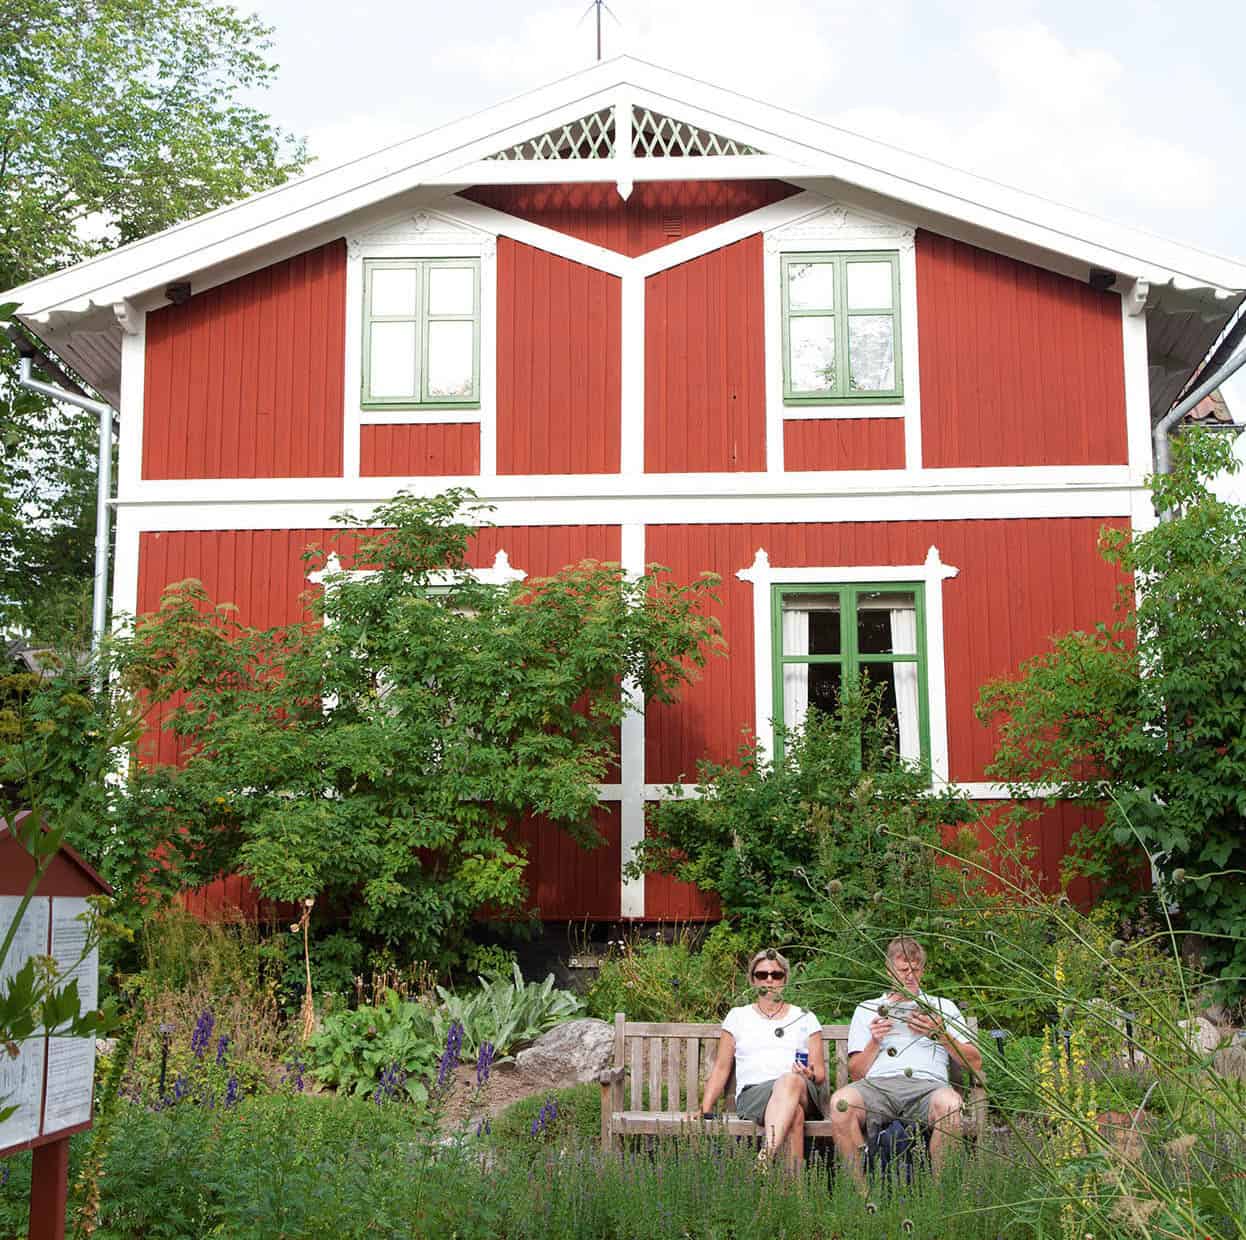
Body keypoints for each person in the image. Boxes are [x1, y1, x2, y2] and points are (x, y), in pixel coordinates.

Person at [829, 935, 982, 1183]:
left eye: (915, 969)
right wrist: (875, 1041)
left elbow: (975, 1063)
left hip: (927, 1087)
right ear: (889, 971)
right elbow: (856, 1073)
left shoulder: (942, 1007)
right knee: (840, 1104)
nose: (909, 976)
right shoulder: (868, 1008)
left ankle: (938, 1201)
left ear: (922, 971)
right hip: (879, 1086)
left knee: (951, 1106)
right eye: (902, 970)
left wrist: (940, 1034)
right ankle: (863, 1199)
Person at [692, 948, 826, 1170]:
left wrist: (809, 1074)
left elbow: (819, 1074)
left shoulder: (805, 1017)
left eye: (776, 975)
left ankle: (765, 1157)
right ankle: (794, 1197)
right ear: (752, 980)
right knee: (795, 1114)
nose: (769, 980)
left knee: (789, 1081)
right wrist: (705, 1108)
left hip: (801, 1089)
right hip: (754, 1096)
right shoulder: (738, 1016)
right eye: (762, 975)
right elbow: (721, 1069)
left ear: (786, 979)